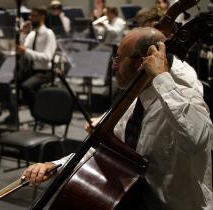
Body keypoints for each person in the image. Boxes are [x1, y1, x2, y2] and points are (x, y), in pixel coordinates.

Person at [22, 27, 212, 210]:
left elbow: (194, 140)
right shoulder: (131, 104)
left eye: (119, 59)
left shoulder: (188, 97)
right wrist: (56, 165)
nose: (113, 66)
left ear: (142, 62)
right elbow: (105, 155)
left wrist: (161, 76)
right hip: (137, 202)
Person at [0, 7, 57, 125]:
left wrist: (26, 52)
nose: (30, 18)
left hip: (44, 72)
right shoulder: (32, 34)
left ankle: (39, 117)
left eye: (34, 16)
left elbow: (47, 57)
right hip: (30, 69)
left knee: (26, 86)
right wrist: (23, 33)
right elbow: (23, 48)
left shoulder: (48, 34)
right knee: (5, 82)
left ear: (42, 17)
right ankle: (13, 115)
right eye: (30, 16)